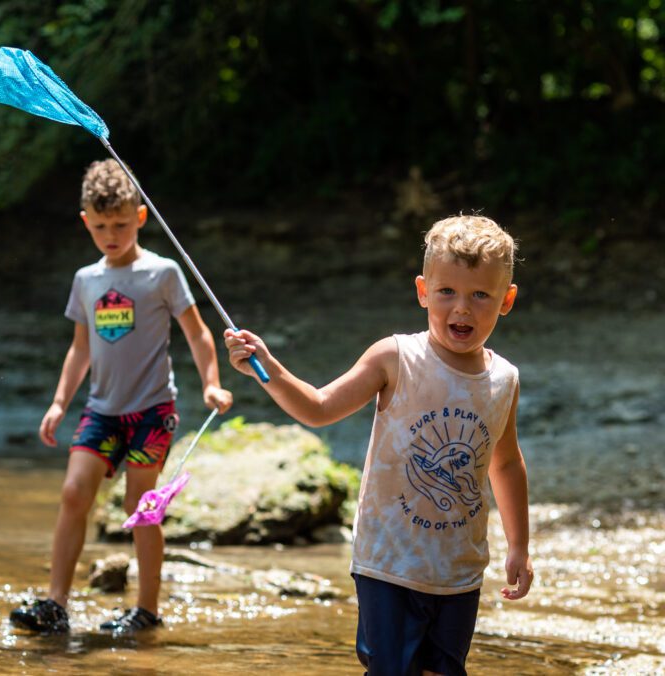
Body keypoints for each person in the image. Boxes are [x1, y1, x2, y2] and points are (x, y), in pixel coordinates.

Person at [225, 215, 533, 675]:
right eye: (446, 291)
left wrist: (519, 546)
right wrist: (268, 368)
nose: (462, 309)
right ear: (422, 290)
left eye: (480, 295)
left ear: (506, 300)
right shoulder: (395, 358)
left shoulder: (503, 379)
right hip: (387, 564)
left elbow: (505, 465)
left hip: (458, 571)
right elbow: (320, 407)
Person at [10, 159, 232, 634]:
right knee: (73, 493)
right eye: (102, 226)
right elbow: (80, 347)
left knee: (141, 503)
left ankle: (146, 609)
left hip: (152, 412)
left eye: (122, 224)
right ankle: (55, 604)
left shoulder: (162, 273)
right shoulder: (87, 281)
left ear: (141, 218)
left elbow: (197, 334)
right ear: (86, 222)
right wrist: (58, 402)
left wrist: (211, 382)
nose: (112, 235)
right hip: (101, 411)